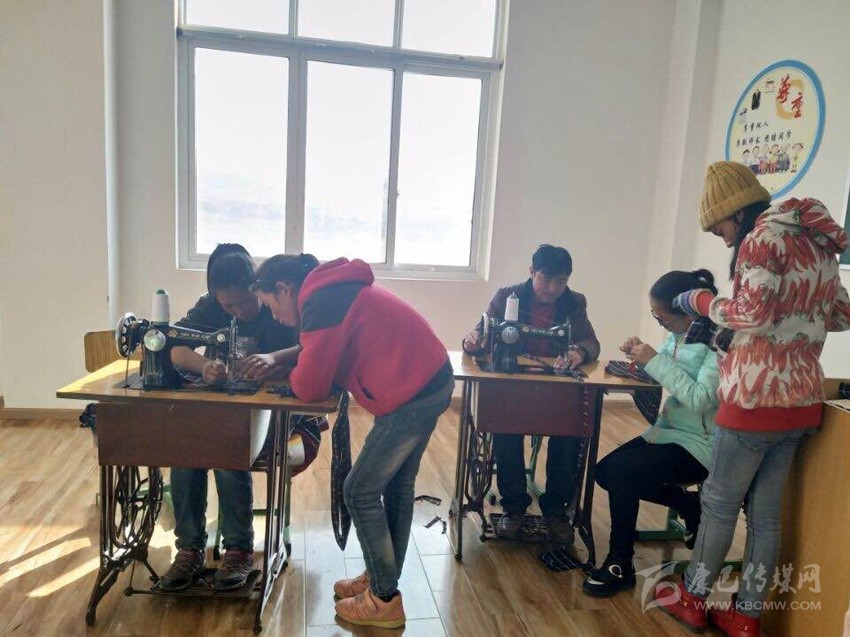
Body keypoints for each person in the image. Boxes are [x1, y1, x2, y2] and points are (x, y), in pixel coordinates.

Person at [653, 162, 850, 636]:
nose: (724, 240)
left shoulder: (761, 238)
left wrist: (700, 302)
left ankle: (693, 598)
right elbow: (842, 315)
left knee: (719, 504)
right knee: (766, 517)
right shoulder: (816, 241)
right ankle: (746, 616)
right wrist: (796, 315)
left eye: (720, 228)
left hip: (753, 401)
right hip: (801, 402)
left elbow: (752, 314)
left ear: (737, 212)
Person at [251, 254, 453, 630]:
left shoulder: (321, 302)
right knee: (396, 486)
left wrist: (290, 372)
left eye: (272, 305)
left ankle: (384, 599)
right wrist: (287, 362)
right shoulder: (331, 292)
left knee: (359, 491)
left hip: (412, 395)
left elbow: (311, 386)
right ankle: (381, 579)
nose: (275, 316)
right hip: (432, 380)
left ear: (284, 289)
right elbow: (320, 355)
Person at [159, 243, 318, 592]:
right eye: (227, 306)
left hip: (277, 416)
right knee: (185, 452)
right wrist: (205, 365)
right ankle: (189, 549)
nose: (237, 311)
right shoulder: (210, 306)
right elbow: (175, 348)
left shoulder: (281, 308)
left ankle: (238, 549)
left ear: (256, 288)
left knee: (227, 448)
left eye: (244, 303)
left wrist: (276, 365)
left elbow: (312, 353)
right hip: (226, 414)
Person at [581, 269, 720, 598]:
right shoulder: (680, 334)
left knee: (623, 473)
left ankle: (620, 562)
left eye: (663, 318)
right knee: (605, 472)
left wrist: (655, 360)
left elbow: (701, 398)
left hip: (700, 444)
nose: (661, 324)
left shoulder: (718, 341)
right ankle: (688, 505)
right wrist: (640, 357)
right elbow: (667, 374)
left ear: (687, 312)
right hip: (668, 431)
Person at [461, 244, 600, 544]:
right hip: (512, 387)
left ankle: (556, 510)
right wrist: (472, 341)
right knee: (505, 430)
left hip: (555, 390)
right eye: (546, 279)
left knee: (570, 436)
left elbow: (591, 342)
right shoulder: (507, 296)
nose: (553, 288)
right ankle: (514, 507)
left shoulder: (574, 302)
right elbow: (479, 333)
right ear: (531, 272)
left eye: (561, 281)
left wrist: (578, 352)